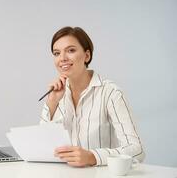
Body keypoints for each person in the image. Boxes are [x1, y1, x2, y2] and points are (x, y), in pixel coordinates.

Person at [40, 26, 145, 167]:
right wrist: (52, 102)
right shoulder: (57, 94)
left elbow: (137, 150)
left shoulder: (111, 93)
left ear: (87, 56)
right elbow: (42, 146)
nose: (62, 58)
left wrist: (93, 157)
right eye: (57, 53)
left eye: (71, 50)